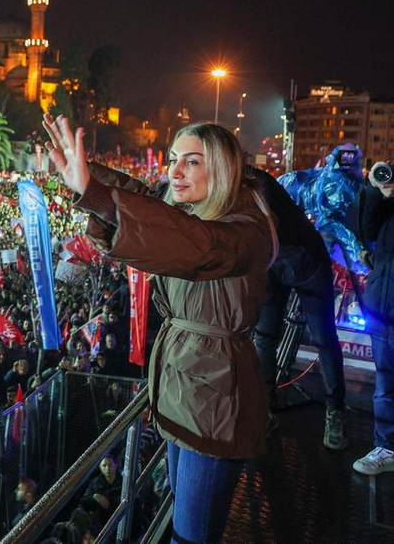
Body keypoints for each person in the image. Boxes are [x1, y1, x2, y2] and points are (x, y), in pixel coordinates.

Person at [43, 114, 276, 544]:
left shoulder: (243, 231)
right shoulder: (193, 211)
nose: (174, 171)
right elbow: (151, 202)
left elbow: (189, 241)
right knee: (179, 515)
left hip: (215, 399)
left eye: (191, 162)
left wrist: (94, 193)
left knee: (191, 534)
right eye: (172, 160)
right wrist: (90, 176)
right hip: (181, 385)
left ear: (223, 169)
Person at [248, 165, 348, 449]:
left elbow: (258, 226)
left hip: (307, 261)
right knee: (264, 338)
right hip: (272, 264)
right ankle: (266, 409)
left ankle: (335, 411)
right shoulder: (223, 186)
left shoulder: (257, 182)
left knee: (324, 339)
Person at [351, 133, 394, 476]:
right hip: (389, 310)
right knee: (387, 389)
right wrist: (372, 189)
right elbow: (363, 228)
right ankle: (387, 448)